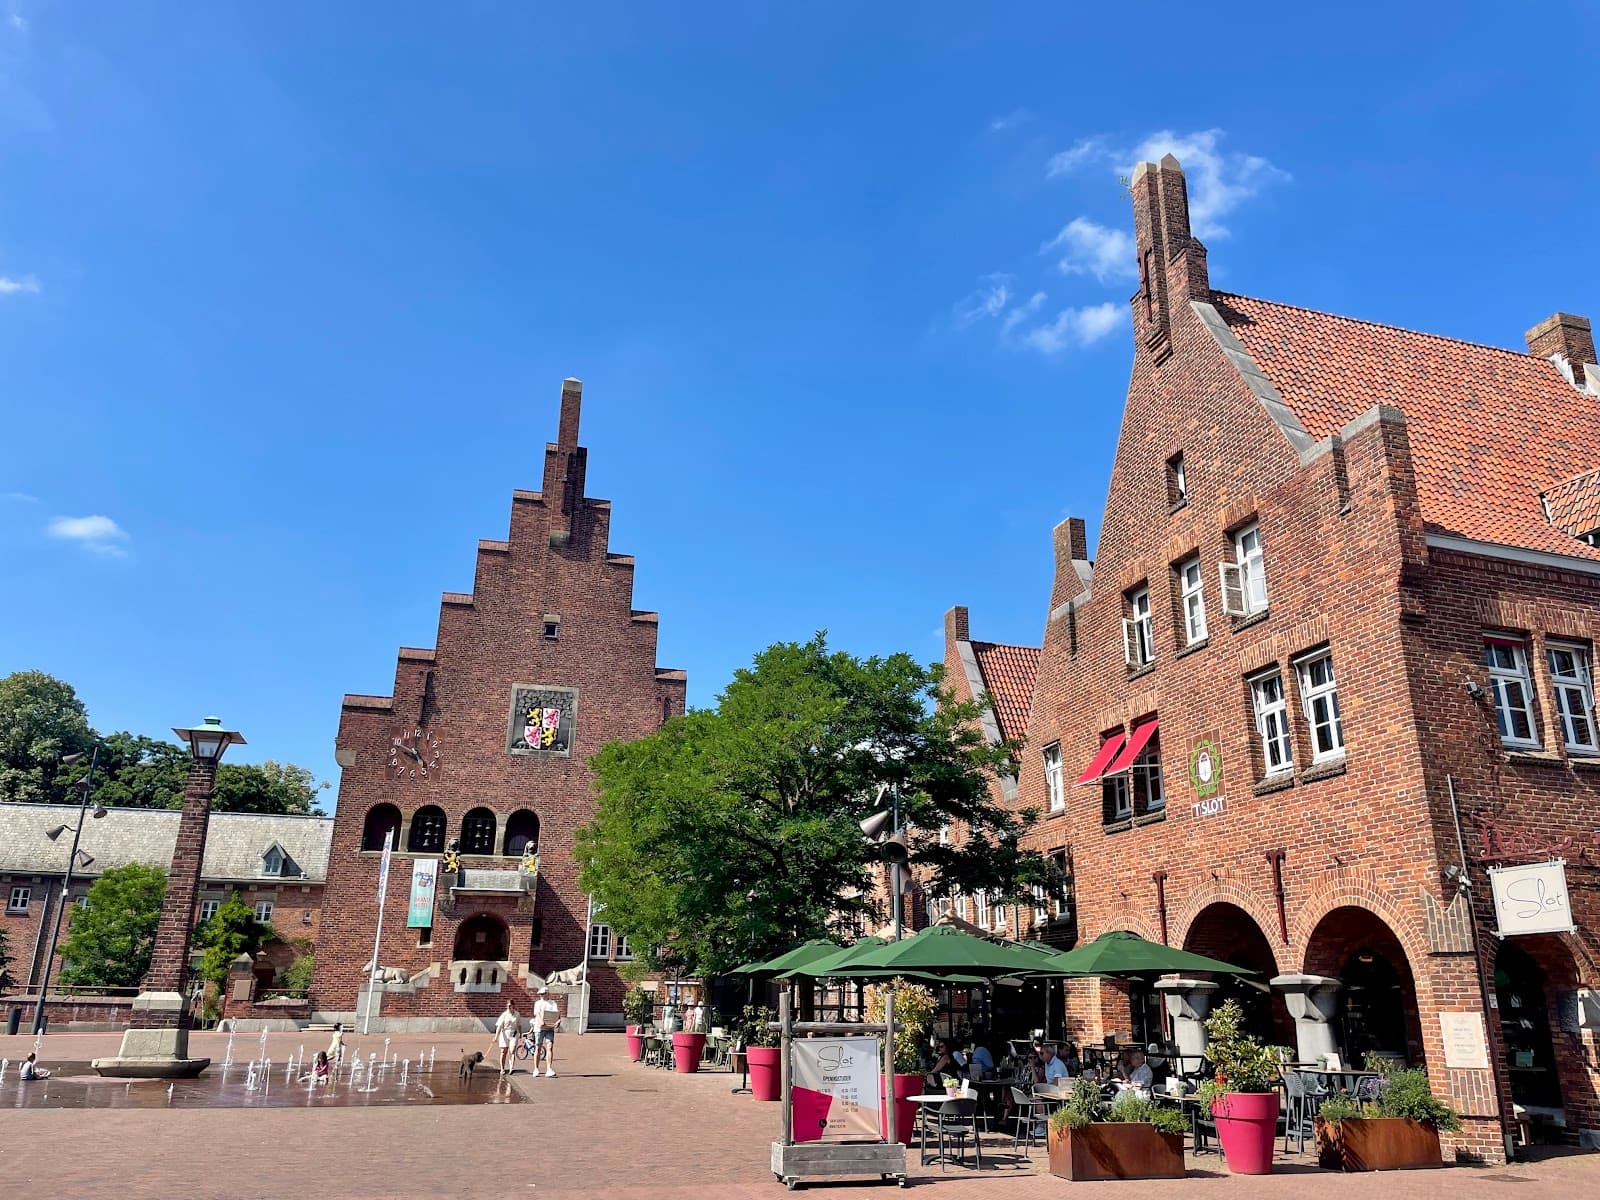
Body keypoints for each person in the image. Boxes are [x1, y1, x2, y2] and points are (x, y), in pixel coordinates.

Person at [532, 986, 561, 1077]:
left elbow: (556, 1014)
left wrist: (558, 1021)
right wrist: (540, 1020)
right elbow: (537, 1013)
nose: (541, 995)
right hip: (539, 1028)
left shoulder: (553, 1003)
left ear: (547, 994)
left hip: (549, 1028)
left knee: (550, 1046)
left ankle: (549, 1068)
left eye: (543, 994)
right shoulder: (538, 1003)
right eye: (540, 994)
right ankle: (536, 1068)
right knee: (538, 1047)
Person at [494, 1001, 521, 1076]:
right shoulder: (504, 1015)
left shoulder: (517, 1014)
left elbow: (519, 1024)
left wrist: (521, 1033)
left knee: (512, 1051)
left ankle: (511, 1068)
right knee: (503, 1051)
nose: (509, 1007)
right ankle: (502, 1068)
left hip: (513, 1033)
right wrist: (496, 1036)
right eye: (508, 1006)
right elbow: (499, 1026)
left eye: (510, 1006)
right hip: (505, 1033)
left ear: (513, 1006)